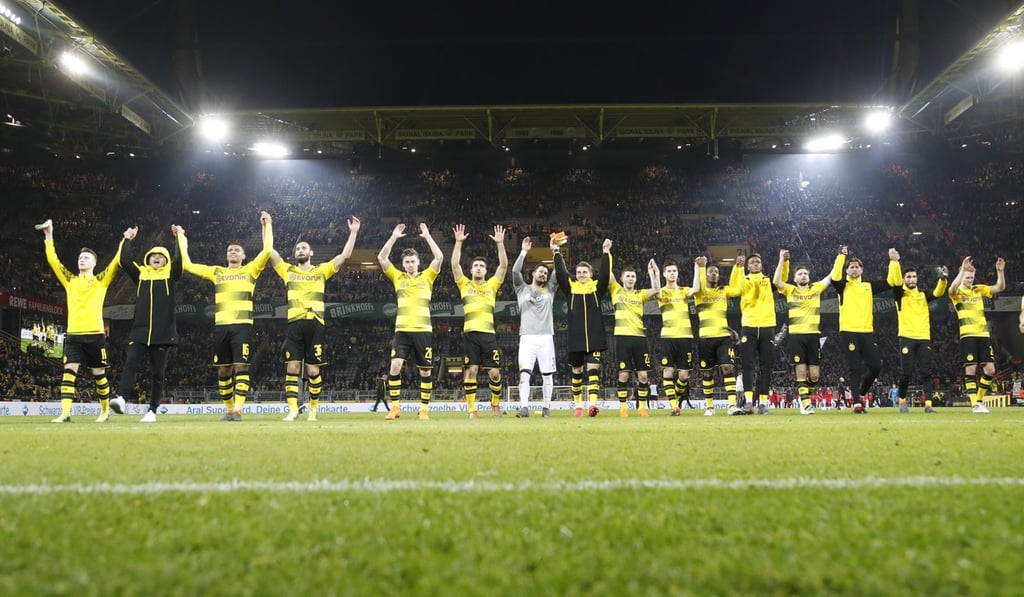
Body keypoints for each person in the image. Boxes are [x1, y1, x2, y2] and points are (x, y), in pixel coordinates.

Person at [177, 211, 273, 422]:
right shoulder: (217, 271)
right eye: (230, 250)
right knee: (223, 371)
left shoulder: (251, 270)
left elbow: (267, 250)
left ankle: (238, 409)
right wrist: (181, 238)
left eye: (237, 250)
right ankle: (229, 410)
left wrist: (267, 224)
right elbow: (187, 265)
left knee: (241, 366)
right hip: (221, 326)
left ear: (244, 256)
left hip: (242, 326)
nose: (233, 252)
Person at [270, 216, 360, 422]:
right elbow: (270, 252)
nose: (300, 251)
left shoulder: (321, 270)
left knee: (312, 371)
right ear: (295, 254)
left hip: (315, 324)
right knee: (292, 368)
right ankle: (292, 410)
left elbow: (345, 255)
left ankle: (313, 409)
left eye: (304, 248)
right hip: (294, 323)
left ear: (311, 253)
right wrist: (267, 226)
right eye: (297, 249)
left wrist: (353, 232)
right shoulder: (288, 271)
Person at [39, 219, 125, 423]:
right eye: (80, 258)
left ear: (94, 263)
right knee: (69, 372)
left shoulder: (100, 280)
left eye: (86, 258)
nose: (82, 260)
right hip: (74, 335)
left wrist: (125, 240)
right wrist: (49, 236)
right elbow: (53, 261)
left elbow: (115, 262)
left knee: (99, 375)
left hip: (95, 335)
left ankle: (104, 411)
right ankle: (65, 413)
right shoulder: (70, 280)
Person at [112, 225, 183, 423]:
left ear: (166, 260)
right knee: (130, 364)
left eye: (160, 256)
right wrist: (126, 239)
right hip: (140, 331)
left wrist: (179, 237)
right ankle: (121, 398)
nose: (156, 257)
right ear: (148, 259)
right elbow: (124, 260)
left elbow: (180, 259)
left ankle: (152, 410)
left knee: (158, 374)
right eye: (153, 256)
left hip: (162, 333)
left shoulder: (171, 275)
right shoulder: (141, 275)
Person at [377, 223, 444, 421]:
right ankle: (395, 408)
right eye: (406, 262)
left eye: (413, 261)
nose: (409, 265)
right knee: (395, 366)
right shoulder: (398, 277)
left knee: (425, 371)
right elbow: (381, 258)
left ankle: (424, 409)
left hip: (423, 330)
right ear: (403, 264)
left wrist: (428, 236)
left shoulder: (428, 276)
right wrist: (393, 237)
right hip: (402, 331)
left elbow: (439, 257)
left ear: (418, 262)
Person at [830, 246, 900, 412]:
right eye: (851, 267)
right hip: (848, 331)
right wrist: (841, 256)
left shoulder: (868, 286)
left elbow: (893, 282)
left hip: (867, 332)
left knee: (876, 366)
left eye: (857, 267)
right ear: (847, 270)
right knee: (855, 368)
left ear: (862, 269)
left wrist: (894, 261)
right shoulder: (843, 286)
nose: (854, 269)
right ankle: (856, 403)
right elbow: (834, 277)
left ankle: (861, 393)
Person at [451, 224, 508, 418]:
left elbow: (503, 267)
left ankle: (495, 405)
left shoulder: (492, 284)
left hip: (488, 335)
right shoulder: (464, 283)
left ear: (485, 271)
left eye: (482, 266)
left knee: (494, 373)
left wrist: (500, 244)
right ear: (471, 269)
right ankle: (472, 410)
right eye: (475, 265)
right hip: (470, 334)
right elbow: (454, 266)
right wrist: (458, 243)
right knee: (471, 371)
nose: (478, 268)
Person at [554, 237, 612, 417]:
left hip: (594, 336)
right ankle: (578, 405)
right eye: (578, 272)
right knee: (577, 372)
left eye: (584, 272)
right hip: (575, 337)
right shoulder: (571, 289)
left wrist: (606, 253)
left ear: (590, 273)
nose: (581, 274)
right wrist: (556, 253)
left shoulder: (597, 288)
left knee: (593, 370)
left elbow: (605, 274)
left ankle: (593, 405)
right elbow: (561, 275)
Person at [772, 248, 831, 415]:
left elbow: (832, 276)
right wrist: (781, 260)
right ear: (795, 278)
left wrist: (841, 256)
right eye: (800, 274)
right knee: (801, 371)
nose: (803, 275)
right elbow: (776, 281)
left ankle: (803, 398)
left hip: (813, 336)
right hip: (797, 336)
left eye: (806, 273)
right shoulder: (791, 290)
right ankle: (805, 404)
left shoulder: (816, 289)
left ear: (809, 277)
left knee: (814, 376)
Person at [887, 258, 948, 414]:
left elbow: (938, 293)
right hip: (906, 336)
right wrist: (894, 262)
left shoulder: (922, 295)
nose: (912, 279)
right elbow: (894, 282)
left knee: (926, 372)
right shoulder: (900, 294)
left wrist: (943, 279)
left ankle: (928, 405)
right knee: (906, 372)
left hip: (923, 337)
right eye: (908, 277)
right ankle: (902, 401)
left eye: (914, 277)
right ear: (904, 279)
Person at [948, 255, 1006, 413]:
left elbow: (999, 287)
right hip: (968, 336)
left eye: (971, 277)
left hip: (983, 335)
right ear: (962, 277)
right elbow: (951, 289)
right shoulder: (957, 293)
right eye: (967, 277)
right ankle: (975, 404)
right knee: (971, 370)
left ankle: (979, 401)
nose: (970, 280)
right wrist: (962, 270)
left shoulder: (978, 289)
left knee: (990, 370)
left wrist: (1000, 272)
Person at [512, 236, 560, 418]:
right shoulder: (521, 289)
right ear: (532, 273)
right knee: (524, 374)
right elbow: (515, 272)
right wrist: (524, 251)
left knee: (547, 375)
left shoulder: (550, 290)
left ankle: (546, 408)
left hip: (546, 337)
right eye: (540, 272)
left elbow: (559, 272)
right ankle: (524, 407)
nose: (543, 275)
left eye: (545, 273)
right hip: (527, 338)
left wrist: (555, 251)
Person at [609, 260, 661, 417]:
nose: (631, 278)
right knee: (623, 375)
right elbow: (608, 273)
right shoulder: (616, 290)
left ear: (636, 279)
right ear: (622, 278)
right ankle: (623, 408)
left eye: (633, 276)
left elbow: (657, 290)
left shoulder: (640, 294)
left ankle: (642, 408)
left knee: (643, 375)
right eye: (628, 276)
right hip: (622, 338)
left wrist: (654, 272)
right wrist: (607, 253)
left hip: (639, 338)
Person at [693, 255, 744, 415]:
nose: (714, 274)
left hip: (723, 337)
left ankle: (731, 406)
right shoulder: (699, 292)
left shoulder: (724, 291)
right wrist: (701, 267)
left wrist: (738, 268)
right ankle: (709, 407)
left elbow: (739, 289)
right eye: (711, 272)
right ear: (706, 275)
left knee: (728, 368)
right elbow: (699, 286)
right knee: (707, 373)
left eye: (716, 272)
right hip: (705, 338)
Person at [654, 259, 700, 416]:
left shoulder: (683, 291)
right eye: (669, 271)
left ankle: (676, 397)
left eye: (674, 271)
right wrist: (654, 273)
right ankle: (674, 406)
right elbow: (655, 289)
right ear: (665, 274)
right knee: (667, 372)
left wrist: (696, 267)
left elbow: (697, 288)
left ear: (677, 273)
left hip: (685, 337)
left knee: (683, 375)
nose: (672, 273)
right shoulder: (661, 292)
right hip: (668, 337)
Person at [736, 252, 778, 415]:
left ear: (761, 265)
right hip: (749, 326)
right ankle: (748, 403)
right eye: (752, 262)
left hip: (767, 326)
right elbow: (737, 288)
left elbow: (781, 279)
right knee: (747, 365)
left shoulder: (768, 281)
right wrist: (738, 268)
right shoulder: (744, 280)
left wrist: (783, 261)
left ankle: (762, 403)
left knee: (765, 366)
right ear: (747, 266)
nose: (755, 263)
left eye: (758, 262)